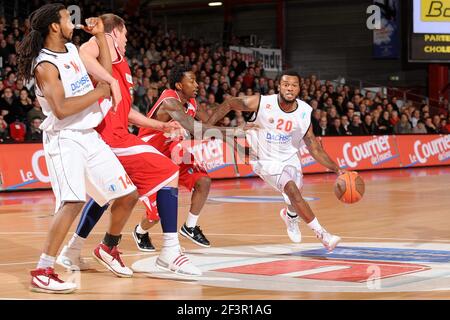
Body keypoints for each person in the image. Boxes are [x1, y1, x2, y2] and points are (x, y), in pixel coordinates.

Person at [56, 14, 203, 277]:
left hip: (116, 132)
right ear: (116, 32)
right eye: (124, 34)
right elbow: (83, 53)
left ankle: (72, 250)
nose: (126, 40)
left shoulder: (119, 61)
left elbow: (125, 111)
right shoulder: (107, 49)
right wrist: (110, 79)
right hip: (109, 137)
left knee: (104, 196)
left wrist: (160, 126)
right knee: (169, 171)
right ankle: (170, 251)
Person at [17, 4, 138, 293]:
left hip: (88, 135)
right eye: (66, 17)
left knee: (127, 195)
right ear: (55, 27)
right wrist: (99, 92)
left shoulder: (72, 50)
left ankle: (108, 247)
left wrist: (99, 40)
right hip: (65, 138)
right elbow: (60, 109)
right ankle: (43, 269)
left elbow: (107, 74)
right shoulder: (45, 65)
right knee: (72, 202)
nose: (73, 20)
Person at [206, 70, 342, 251]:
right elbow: (230, 103)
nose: (289, 88)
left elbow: (314, 147)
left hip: (290, 157)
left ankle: (290, 216)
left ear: (299, 89)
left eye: (294, 85)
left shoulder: (304, 112)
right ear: (279, 86)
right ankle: (323, 235)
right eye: (286, 84)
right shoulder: (262, 102)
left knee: (296, 194)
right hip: (264, 159)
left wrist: (337, 169)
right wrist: (206, 126)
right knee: (292, 190)